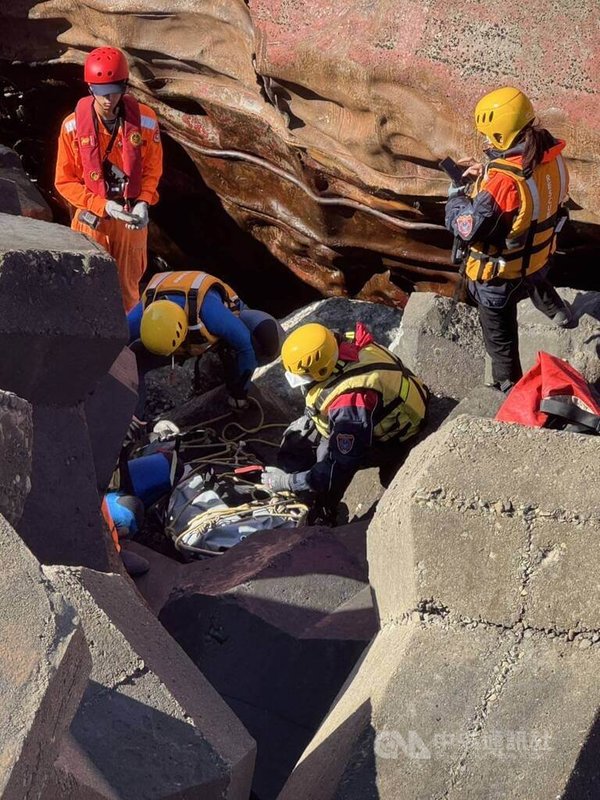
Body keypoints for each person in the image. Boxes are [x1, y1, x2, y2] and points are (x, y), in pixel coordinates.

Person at [445, 86, 574, 393]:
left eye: (489, 135)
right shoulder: (550, 153)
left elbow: (468, 228)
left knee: (499, 335)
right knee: (535, 278)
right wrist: (486, 173)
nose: (486, 141)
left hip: (499, 274)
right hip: (538, 258)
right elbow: (526, 187)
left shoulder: (504, 182)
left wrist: (456, 193)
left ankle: (508, 385)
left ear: (503, 136)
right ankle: (559, 312)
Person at [260, 322, 429, 519]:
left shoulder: (350, 403)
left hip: (394, 437)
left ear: (321, 370)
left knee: (328, 462)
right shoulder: (337, 344)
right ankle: (296, 480)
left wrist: (288, 482)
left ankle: (324, 512)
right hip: (375, 412)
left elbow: (339, 464)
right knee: (297, 434)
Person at [55, 46, 163, 311]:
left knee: (128, 292)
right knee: (86, 288)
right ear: (90, 88)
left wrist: (143, 202)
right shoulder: (71, 127)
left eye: (114, 91)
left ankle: (128, 348)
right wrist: (102, 205)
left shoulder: (146, 121)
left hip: (130, 219)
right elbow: (64, 181)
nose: (107, 99)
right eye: (101, 92)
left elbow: (152, 169)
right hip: (92, 219)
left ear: (124, 86)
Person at [127, 269, 283, 416]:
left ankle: (231, 371)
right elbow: (114, 342)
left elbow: (246, 347)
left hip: (223, 324)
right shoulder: (139, 316)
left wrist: (239, 394)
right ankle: (133, 420)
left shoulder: (209, 312)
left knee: (268, 338)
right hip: (192, 337)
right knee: (133, 361)